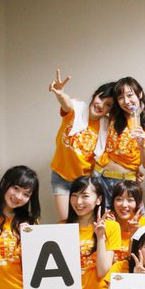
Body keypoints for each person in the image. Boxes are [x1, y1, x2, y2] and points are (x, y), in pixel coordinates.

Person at [48, 69, 115, 221]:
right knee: (66, 223)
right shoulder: (76, 110)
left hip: (85, 182)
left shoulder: (105, 127)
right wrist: (60, 94)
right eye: (100, 98)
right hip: (61, 177)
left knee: (86, 223)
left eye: (108, 105)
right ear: (95, 95)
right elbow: (66, 103)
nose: (101, 105)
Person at [96, 77, 145, 205]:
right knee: (102, 217)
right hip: (101, 178)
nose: (126, 101)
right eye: (121, 97)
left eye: (130, 95)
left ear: (139, 94)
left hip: (127, 183)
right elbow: (98, 103)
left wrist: (142, 145)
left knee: (132, 217)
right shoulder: (112, 118)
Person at [109, 180, 145, 262]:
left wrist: (134, 234)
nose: (124, 205)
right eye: (119, 199)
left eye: (130, 200)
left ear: (138, 203)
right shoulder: (106, 223)